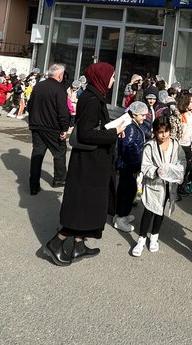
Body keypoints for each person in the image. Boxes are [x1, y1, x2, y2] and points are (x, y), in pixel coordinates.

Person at [39, 62, 126, 266]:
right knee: (83, 206)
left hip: (91, 162)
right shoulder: (92, 100)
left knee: (86, 206)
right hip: (89, 164)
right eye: (112, 76)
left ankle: (78, 246)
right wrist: (114, 132)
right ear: (102, 77)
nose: (113, 80)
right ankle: (55, 243)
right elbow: (87, 133)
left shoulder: (93, 96)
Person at [132, 116, 187, 257]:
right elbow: (145, 166)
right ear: (155, 132)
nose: (164, 135)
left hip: (169, 185)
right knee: (149, 211)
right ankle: (141, 239)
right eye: (160, 132)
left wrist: (178, 171)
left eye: (166, 131)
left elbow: (182, 160)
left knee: (160, 212)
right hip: (154, 185)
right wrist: (156, 171)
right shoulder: (150, 146)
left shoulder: (175, 145)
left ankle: (154, 237)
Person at [27, 64, 71, 194]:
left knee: (37, 154)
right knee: (59, 152)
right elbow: (63, 111)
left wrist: (34, 120)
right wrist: (64, 128)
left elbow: (30, 105)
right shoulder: (59, 89)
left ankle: (33, 186)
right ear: (59, 75)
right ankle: (59, 179)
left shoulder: (38, 86)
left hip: (37, 125)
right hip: (52, 128)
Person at [114, 101, 151, 232]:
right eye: (142, 115)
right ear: (134, 114)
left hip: (127, 165)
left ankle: (119, 214)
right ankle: (121, 218)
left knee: (124, 189)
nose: (144, 117)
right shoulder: (130, 127)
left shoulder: (132, 124)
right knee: (129, 191)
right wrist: (135, 167)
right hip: (129, 166)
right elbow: (128, 148)